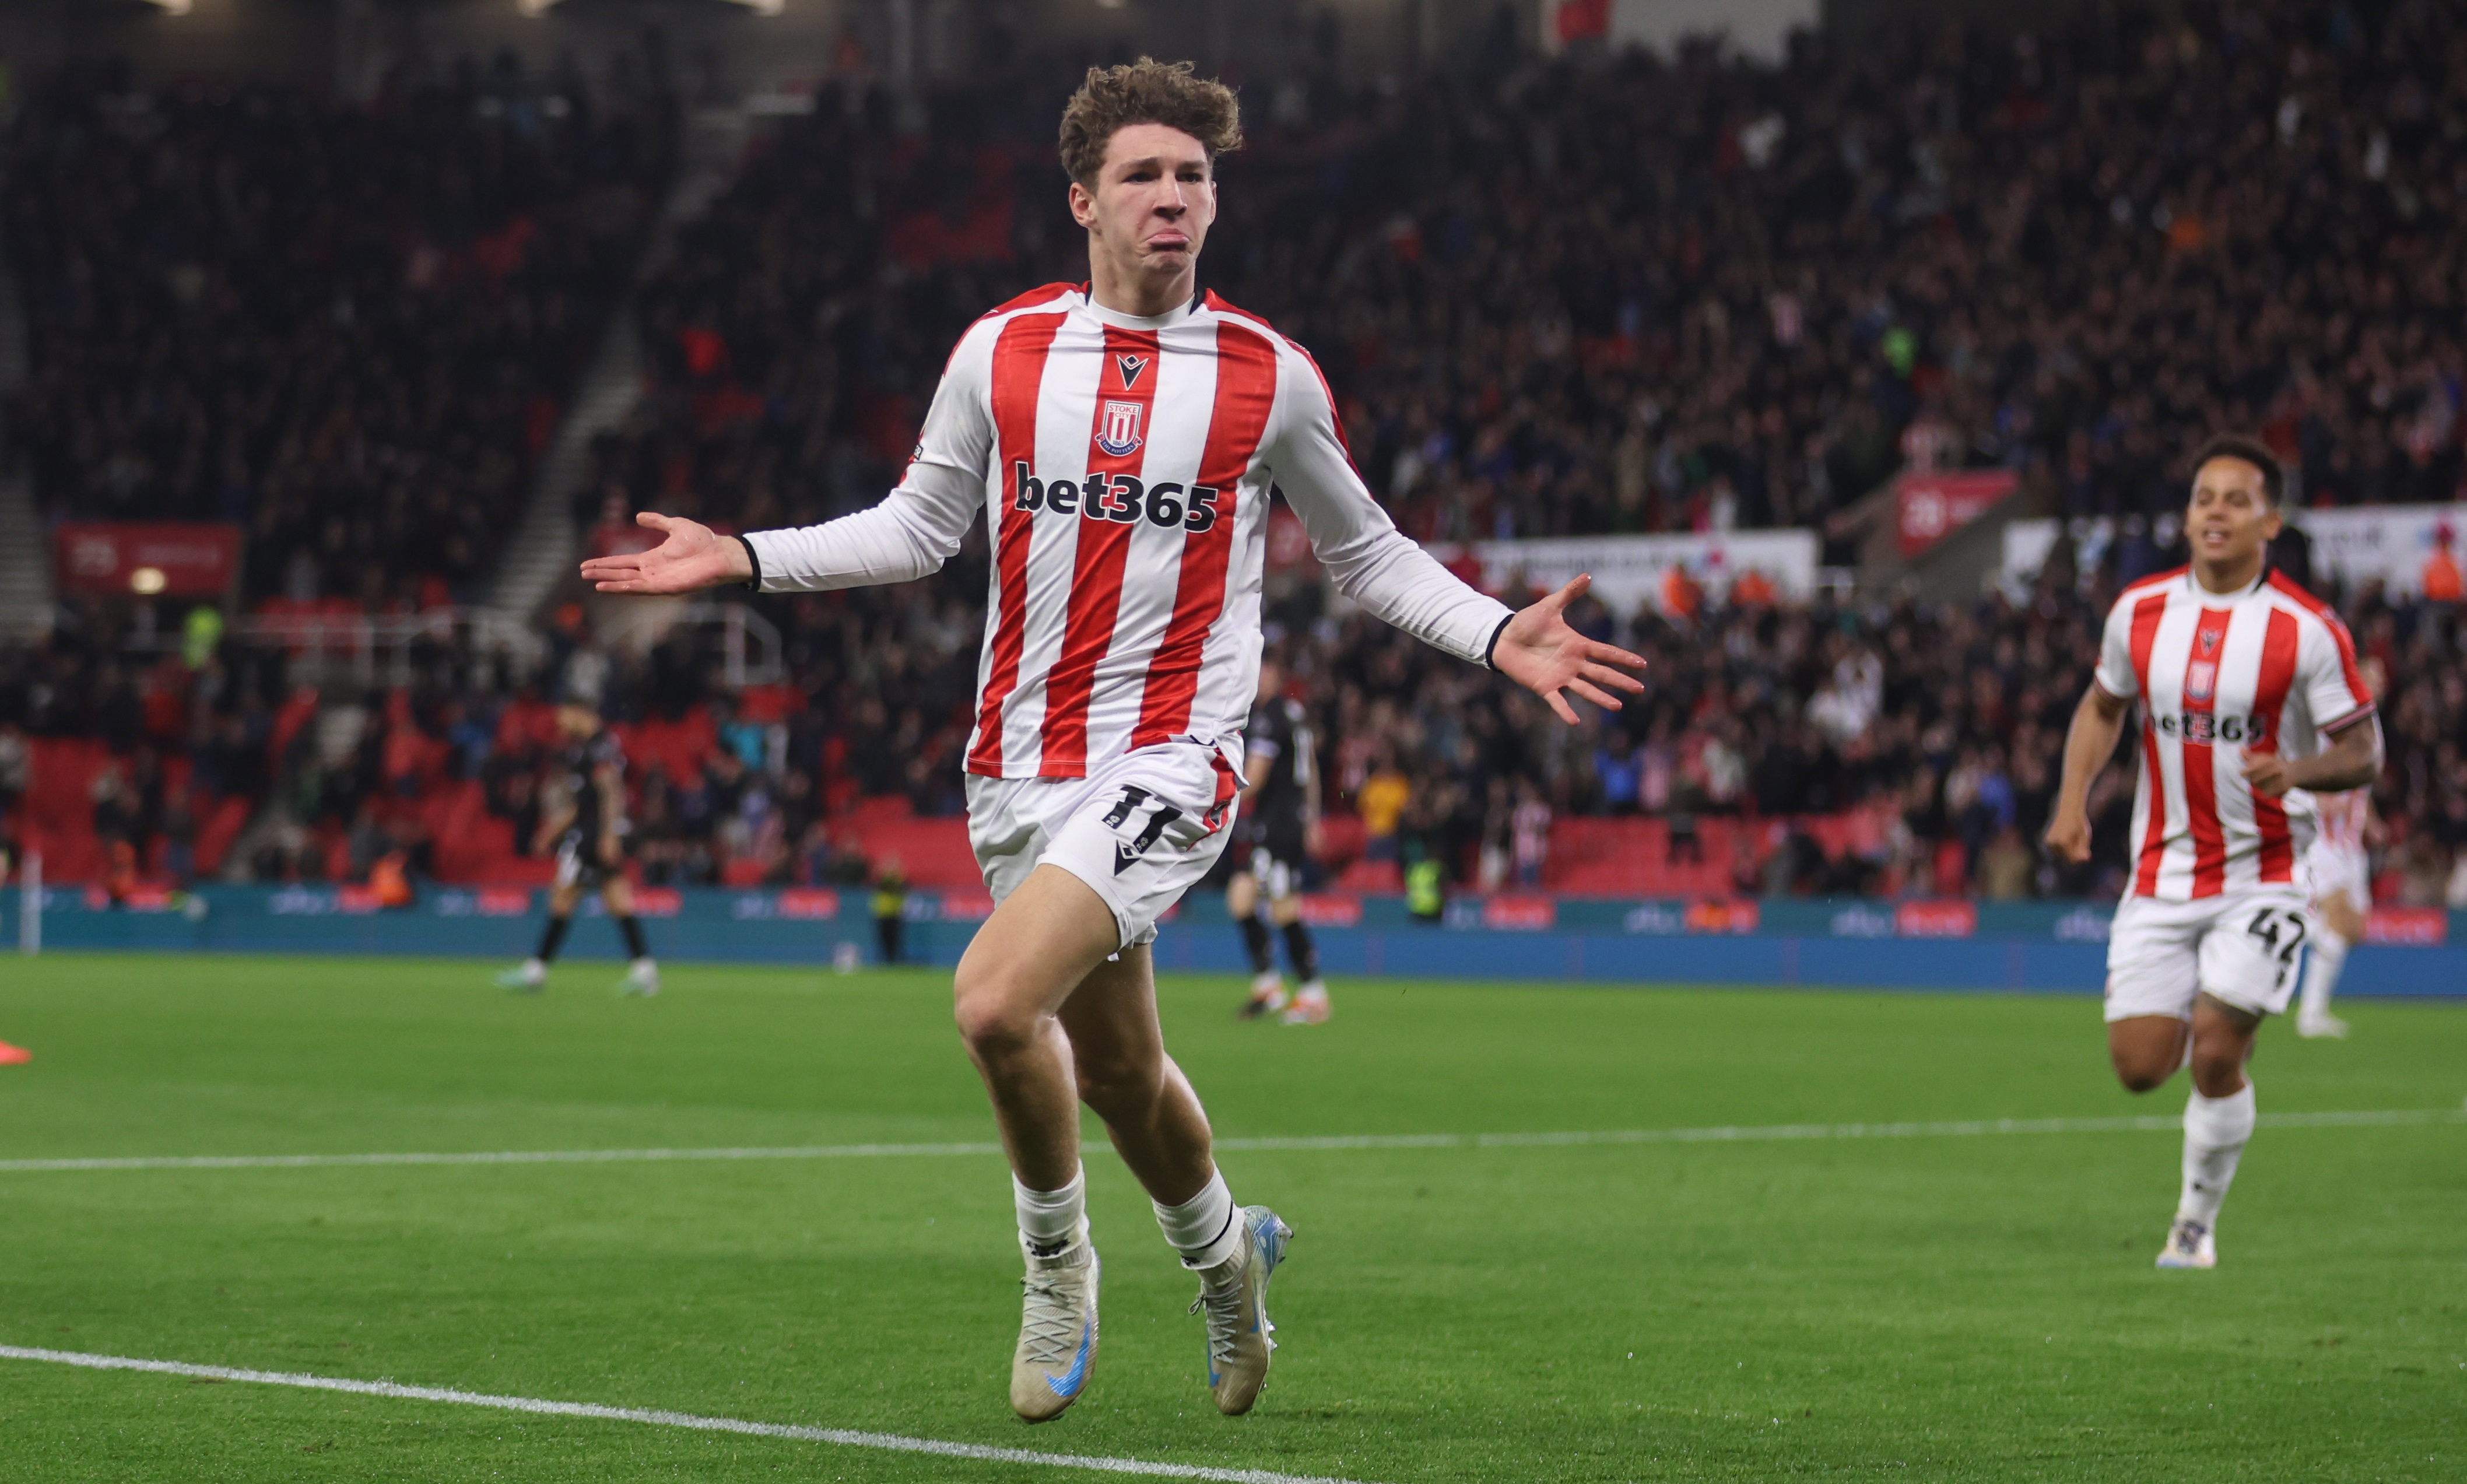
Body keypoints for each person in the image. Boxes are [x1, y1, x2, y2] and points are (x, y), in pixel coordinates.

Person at [578, 57, 1644, 1423]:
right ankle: (1226, 1261)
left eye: (1193, 176)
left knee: (987, 1004)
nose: (1172, 198)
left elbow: (1365, 554)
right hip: (1015, 769)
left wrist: (1498, 632)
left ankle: (1055, 1264)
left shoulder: (1269, 379)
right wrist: (741, 554)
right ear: (1082, 198)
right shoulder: (1003, 351)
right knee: (1127, 1076)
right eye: (1143, 175)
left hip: (1173, 761)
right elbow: (917, 527)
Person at [2045, 434, 2381, 1271]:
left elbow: (2363, 750)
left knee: (2217, 1049)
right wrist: (2069, 803)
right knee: (2136, 1067)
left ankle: (2192, 1226)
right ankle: (2222, 1010)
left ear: (2268, 520)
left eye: (2235, 499)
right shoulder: (2139, 611)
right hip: (2159, 872)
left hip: (2263, 872)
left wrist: (2295, 769)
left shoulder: (2305, 631)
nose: (2216, 512)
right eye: (2203, 498)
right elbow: (2099, 707)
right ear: (2186, 516)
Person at [496, 703, 661, 996]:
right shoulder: (584, 749)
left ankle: (535, 972)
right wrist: (552, 832)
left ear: (579, 711)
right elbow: (581, 804)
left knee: (562, 899)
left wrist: (610, 834)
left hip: (590, 839)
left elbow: (611, 790)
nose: (560, 723)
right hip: (592, 833)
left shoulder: (599, 746)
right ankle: (645, 971)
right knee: (619, 901)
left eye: (563, 715)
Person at [1227, 655, 1328, 1023]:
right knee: (1241, 898)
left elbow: (1255, 779)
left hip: (1278, 826)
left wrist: (1214, 800)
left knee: (1284, 906)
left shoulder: (1269, 718)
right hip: (1284, 823)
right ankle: (1269, 986)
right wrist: (1314, 817)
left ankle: (1313, 993)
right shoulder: (1294, 713)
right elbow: (1310, 768)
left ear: (1271, 672)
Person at [2291, 653, 2387, 1040]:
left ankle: (2296, 923)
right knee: (2338, 922)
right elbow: (2310, 765)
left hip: (2351, 845)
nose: (2378, 683)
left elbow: (2362, 783)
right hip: (2326, 840)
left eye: (2381, 678)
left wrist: (2373, 822)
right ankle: (2310, 1014)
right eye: (2371, 675)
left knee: (2353, 928)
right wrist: (2321, 795)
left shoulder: (2372, 724)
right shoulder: (2337, 719)